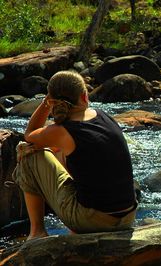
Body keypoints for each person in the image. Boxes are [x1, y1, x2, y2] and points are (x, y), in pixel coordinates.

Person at [12, 70, 137, 240]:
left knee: (27, 151)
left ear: (52, 100)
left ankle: (36, 232)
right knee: (62, 153)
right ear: (84, 97)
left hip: (92, 221)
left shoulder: (62, 131)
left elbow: (30, 134)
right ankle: (75, 229)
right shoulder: (103, 115)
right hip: (127, 218)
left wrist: (45, 104)